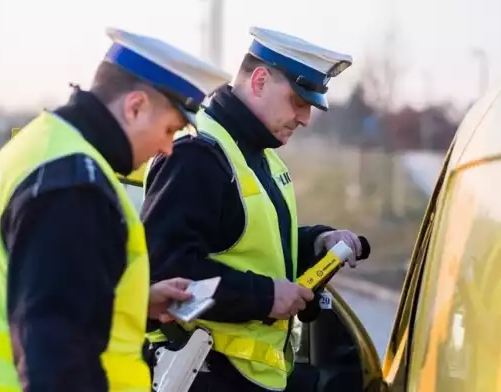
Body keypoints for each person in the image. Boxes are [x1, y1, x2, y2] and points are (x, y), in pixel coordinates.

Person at [0, 27, 231, 392]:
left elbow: (36, 295)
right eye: (170, 129)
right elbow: (57, 358)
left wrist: (132, 300)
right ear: (135, 106)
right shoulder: (74, 186)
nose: (167, 148)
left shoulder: (42, 146)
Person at [140, 26, 370, 391]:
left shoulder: (261, 157)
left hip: (248, 378)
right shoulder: (197, 154)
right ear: (260, 81)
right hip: (202, 374)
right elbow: (164, 272)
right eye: (298, 101)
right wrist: (264, 297)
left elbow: (248, 248)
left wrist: (316, 244)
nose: (306, 118)